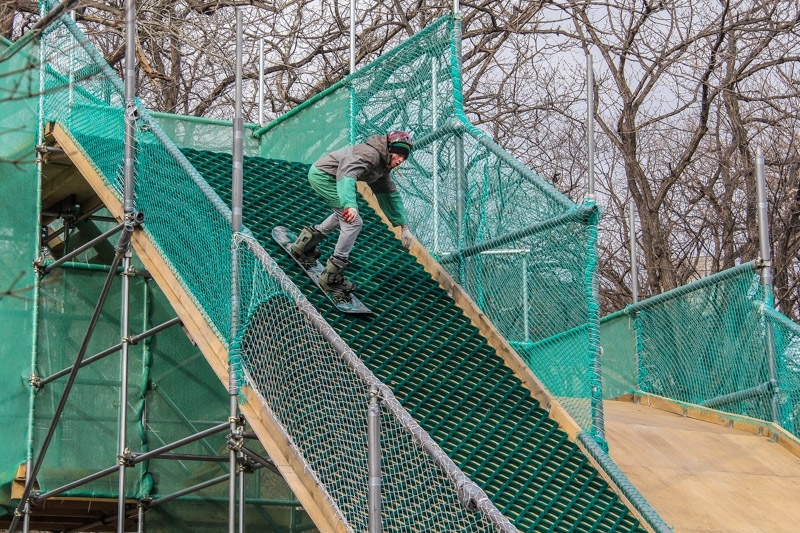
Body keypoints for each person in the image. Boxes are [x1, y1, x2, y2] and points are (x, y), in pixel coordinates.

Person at [290, 131, 415, 295]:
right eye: (399, 154)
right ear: (390, 149)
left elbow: (389, 194)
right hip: (323, 177)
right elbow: (347, 174)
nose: (401, 160)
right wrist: (349, 204)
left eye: (404, 158)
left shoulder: (382, 166)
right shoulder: (370, 154)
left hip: (332, 178)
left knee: (345, 215)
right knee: (354, 222)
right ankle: (331, 277)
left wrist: (404, 226)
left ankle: (304, 245)